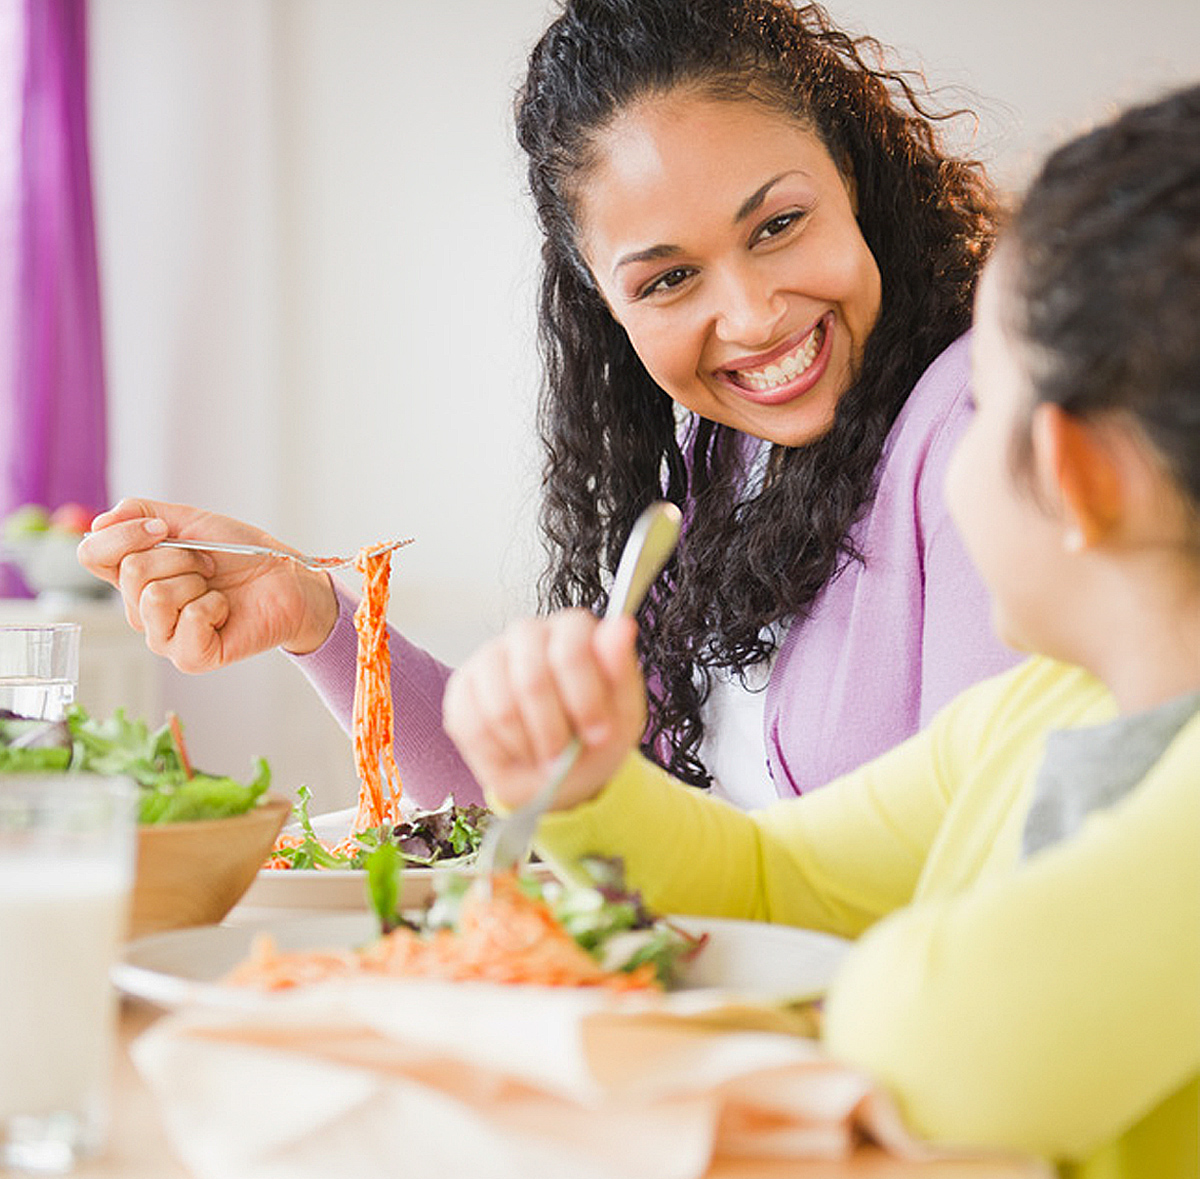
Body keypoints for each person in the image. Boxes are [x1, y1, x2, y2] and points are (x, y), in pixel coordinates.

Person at [441, 83, 1200, 1179]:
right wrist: (593, 782)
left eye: (982, 399)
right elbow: (773, 873)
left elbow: (928, 1044)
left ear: (1077, 476)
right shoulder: (1044, 707)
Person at [79, 0, 1017, 810]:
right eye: (669, 280)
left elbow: (980, 855)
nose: (752, 317)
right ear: (606, 307)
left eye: (778, 225)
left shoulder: (977, 423)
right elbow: (570, 805)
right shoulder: (721, 452)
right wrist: (319, 616)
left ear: (850, 176)